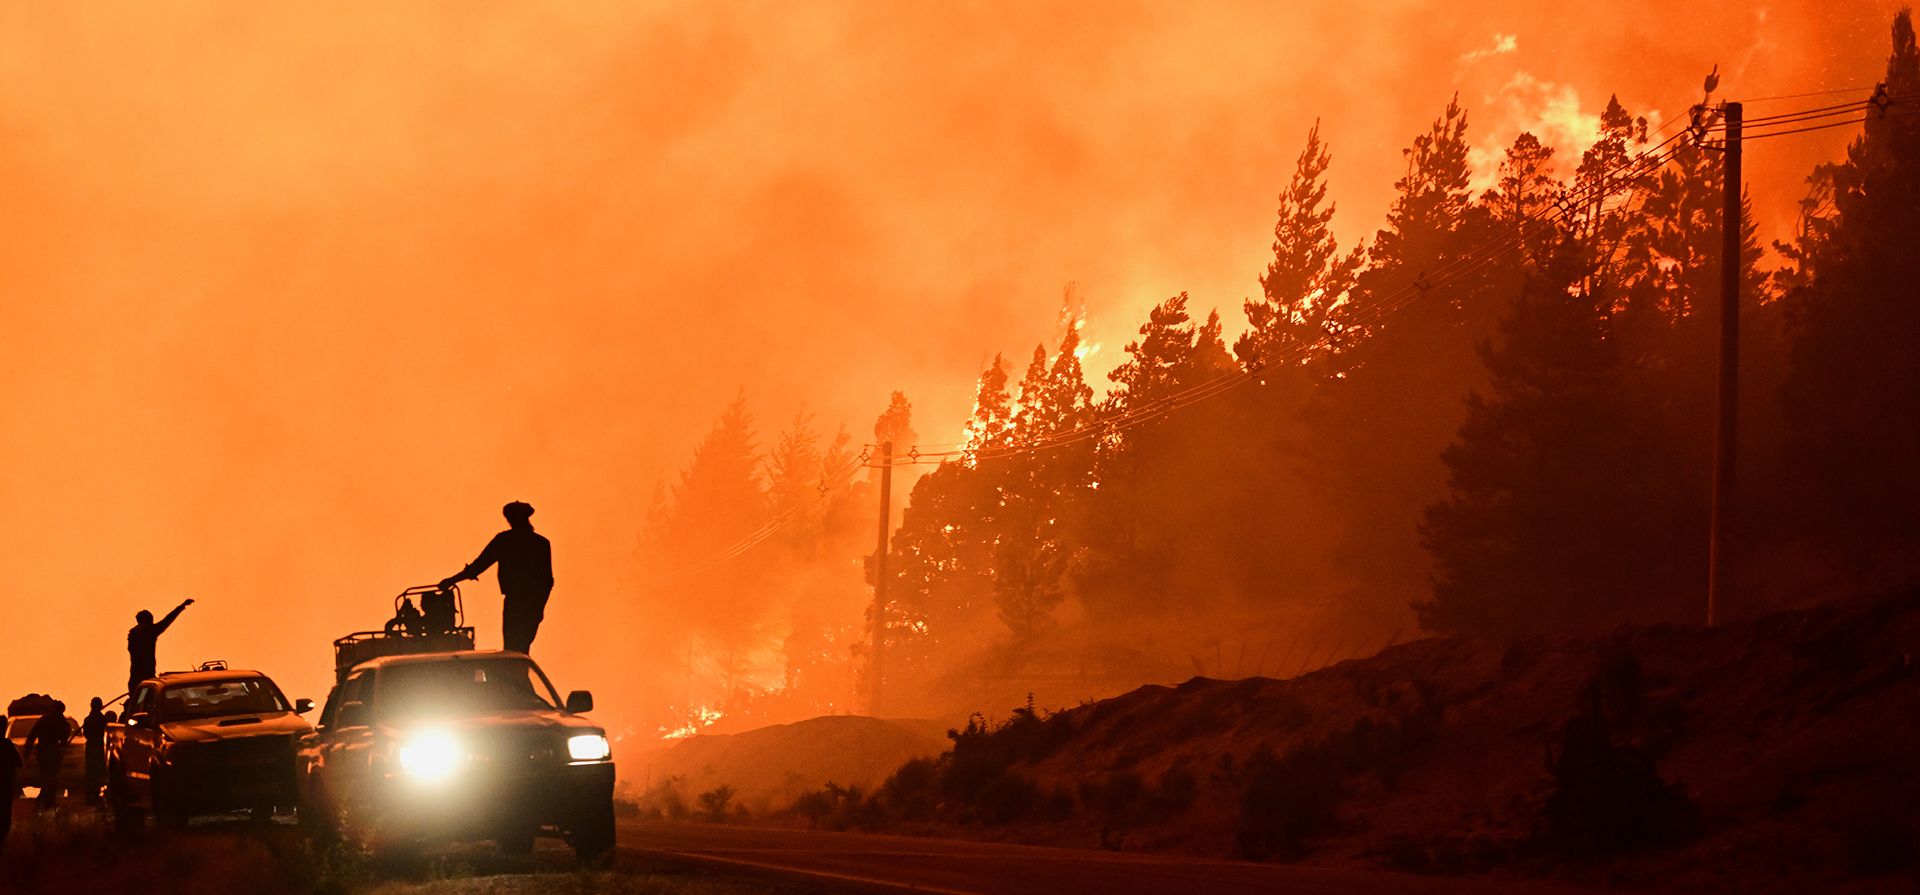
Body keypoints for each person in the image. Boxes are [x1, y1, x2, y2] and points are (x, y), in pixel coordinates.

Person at [441, 501, 553, 654]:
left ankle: (516, 676)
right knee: (521, 647)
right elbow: (547, 581)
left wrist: (451, 580)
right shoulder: (540, 543)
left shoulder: (505, 541)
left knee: (514, 647)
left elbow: (478, 566)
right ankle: (518, 676)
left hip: (517, 603)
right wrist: (539, 608)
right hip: (531, 604)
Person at [128, 598, 193, 696]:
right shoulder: (149, 632)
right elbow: (167, 620)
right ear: (148, 621)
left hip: (135, 680)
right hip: (146, 680)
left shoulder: (133, 635)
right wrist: (181, 607)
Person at [24, 704, 67, 809]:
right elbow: (65, 737)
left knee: (46, 774)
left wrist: (27, 751)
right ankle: (48, 798)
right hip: (52, 751)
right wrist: (62, 747)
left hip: (43, 751)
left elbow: (32, 735)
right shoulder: (61, 721)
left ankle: (45, 797)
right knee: (51, 774)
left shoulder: (45, 719)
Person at [82, 698, 108, 806]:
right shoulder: (103, 720)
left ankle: (91, 796)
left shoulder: (88, 719)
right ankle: (95, 795)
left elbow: (86, 734)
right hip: (97, 747)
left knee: (91, 772)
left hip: (92, 747)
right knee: (97, 772)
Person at [0, 714, 18, 848]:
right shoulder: (7, 745)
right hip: (6, 786)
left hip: (6, 786)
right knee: (5, 818)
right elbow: (19, 762)